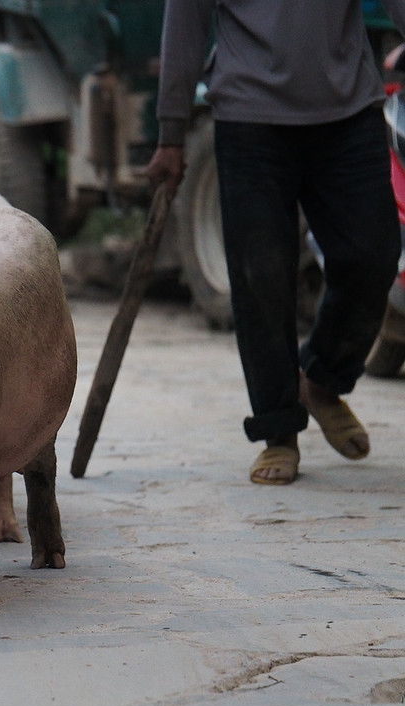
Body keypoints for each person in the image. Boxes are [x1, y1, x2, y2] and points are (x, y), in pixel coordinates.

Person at [148, 0, 405, 485]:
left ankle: (323, 380)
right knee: (260, 275)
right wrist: (172, 131)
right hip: (250, 116)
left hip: (347, 108)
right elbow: (184, 22)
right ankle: (278, 430)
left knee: (373, 253)